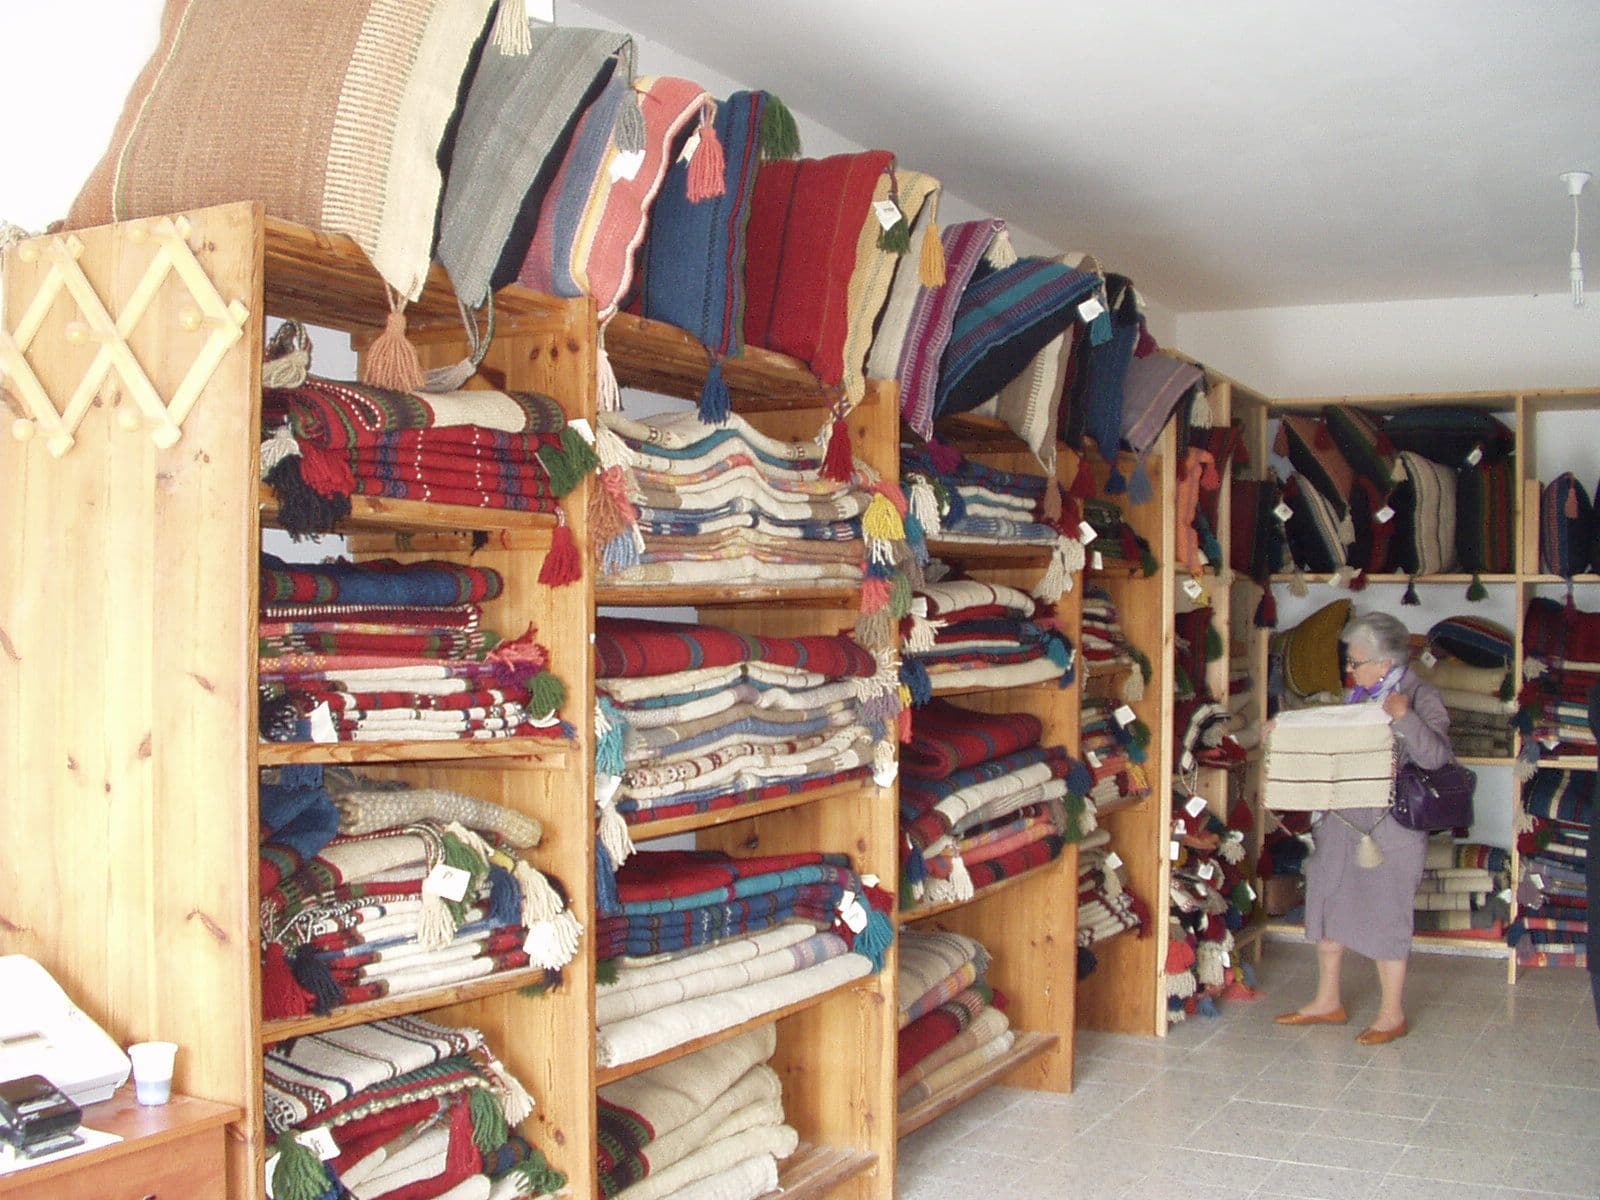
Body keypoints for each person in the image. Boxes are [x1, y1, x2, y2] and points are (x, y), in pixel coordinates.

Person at [1275, 611, 1453, 1044]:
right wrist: (1283, 731)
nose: (1348, 670)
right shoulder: (1357, 697)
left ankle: (1391, 1014)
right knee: (1326, 899)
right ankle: (1327, 1001)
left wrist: (1405, 717)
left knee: (1387, 911)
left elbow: (1438, 757)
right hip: (1340, 819)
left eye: (1355, 663)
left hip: (1391, 828)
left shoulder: (1420, 695)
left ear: (1385, 664)